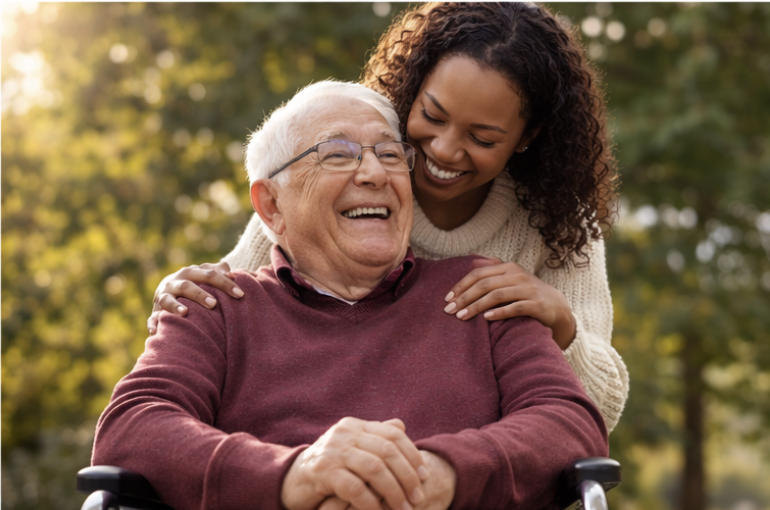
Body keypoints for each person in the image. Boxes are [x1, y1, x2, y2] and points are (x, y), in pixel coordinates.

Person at [93, 81, 608, 510]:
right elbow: (133, 427)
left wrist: (438, 474)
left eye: (389, 153)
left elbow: (569, 423)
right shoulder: (217, 308)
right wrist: (295, 474)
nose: (374, 172)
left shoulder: (482, 293)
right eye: (337, 154)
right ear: (271, 207)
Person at [146, 3, 628, 431]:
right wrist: (181, 294)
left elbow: (595, 415)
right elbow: (232, 291)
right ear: (411, 90)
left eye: (482, 138)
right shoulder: (335, 188)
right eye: (433, 117)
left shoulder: (559, 222)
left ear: (528, 136)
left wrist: (561, 322)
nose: (444, 149)